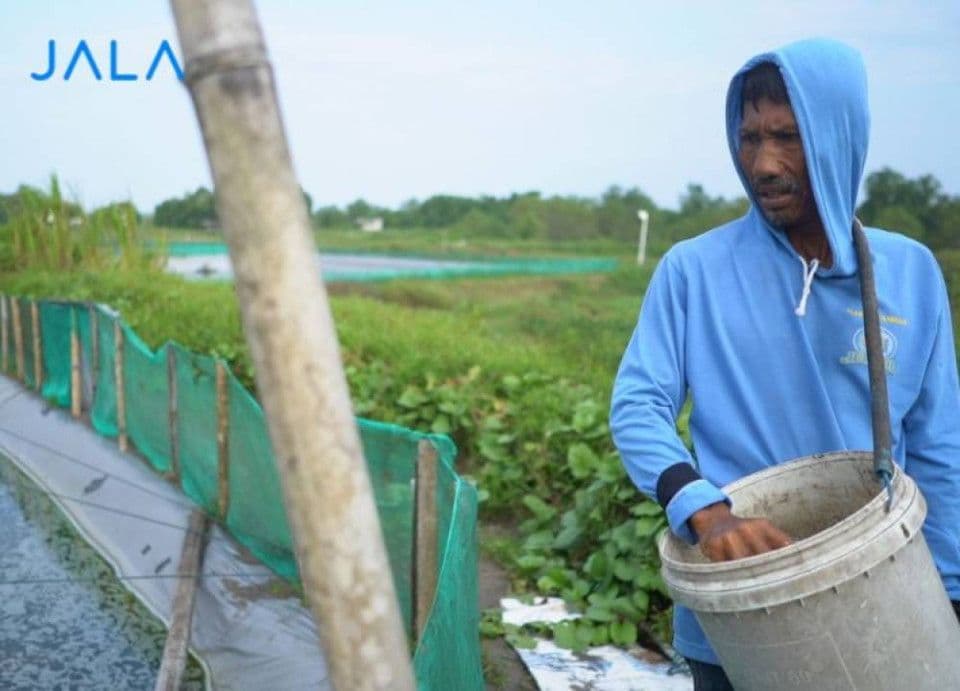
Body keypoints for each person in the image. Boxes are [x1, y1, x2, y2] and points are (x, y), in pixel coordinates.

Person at [610, 38, 960, 690]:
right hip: (739, 607)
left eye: (789, 137)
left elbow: (940, 447)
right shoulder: (693, 271)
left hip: (877, 598)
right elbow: (638, 403)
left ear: (839, 136)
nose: (763, 163)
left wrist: (952, 590)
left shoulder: (908, 273)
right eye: (749, 138)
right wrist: (706, 512)